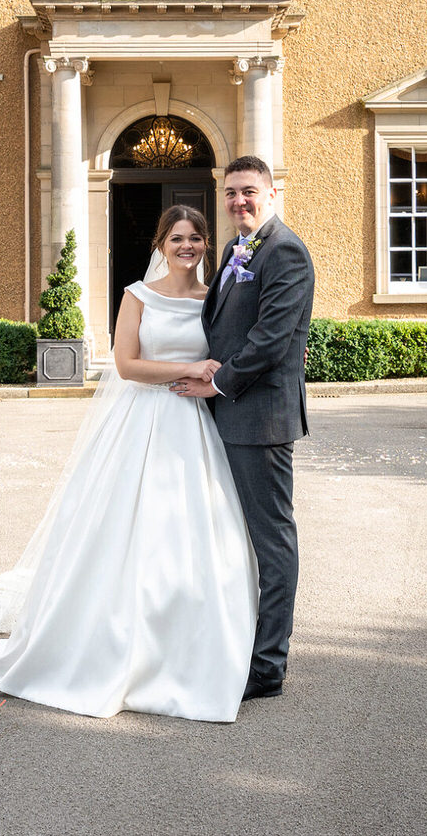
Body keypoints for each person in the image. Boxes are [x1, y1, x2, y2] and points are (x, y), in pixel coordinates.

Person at [0, 205, 259, 722]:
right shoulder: (137, 296)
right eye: (177, 239)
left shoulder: (215, 300)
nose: (186, 247)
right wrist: (188, 366)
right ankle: (107, 643)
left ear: (207, 245)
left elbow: (237, 350)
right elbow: (125, 364)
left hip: (193, 427)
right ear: (160, 245)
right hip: (142, 419)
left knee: (192, 534)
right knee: (120, 530)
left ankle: (190, 646)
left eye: (195, 239)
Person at [173, 154, 315, 700]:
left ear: (273, 193)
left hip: (260, 418)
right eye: (231, 192)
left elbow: (271, 340)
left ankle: (267, 666)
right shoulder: (237, 250)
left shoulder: (285, 252)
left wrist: (218, 383)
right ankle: (232, 640)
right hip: (226, 416)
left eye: (249, 191)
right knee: (230, 537)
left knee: (271, 539)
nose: (239, 201)